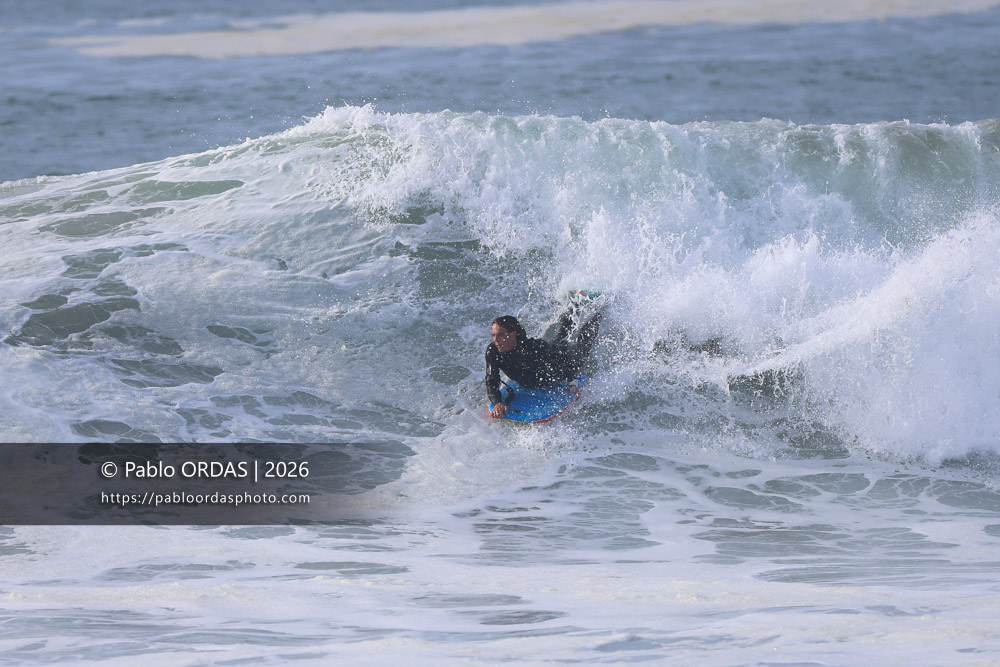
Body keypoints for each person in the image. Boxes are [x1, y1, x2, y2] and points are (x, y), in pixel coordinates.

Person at [486, 303, 603, 418]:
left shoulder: (533, 347)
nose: (496, 340)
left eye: (501, 335)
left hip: (566, 358)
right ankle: (576, 302)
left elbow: (562, 360)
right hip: (543, 365)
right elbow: (492, 380)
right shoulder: (493, 351)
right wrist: (497, 402)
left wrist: (572, 380)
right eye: (493, 335)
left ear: (513, 334)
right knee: (561, 334)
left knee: (582, 344)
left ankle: (598, 312)